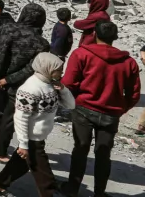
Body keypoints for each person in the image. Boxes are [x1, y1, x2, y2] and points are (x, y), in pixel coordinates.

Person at [60, 21, 141, 197]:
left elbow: (68, 83)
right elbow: (134, 94)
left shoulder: (81, 54)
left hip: (83, 109)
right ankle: (99, 192)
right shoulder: (129, 62)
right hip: (111, 114)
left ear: (95, 35)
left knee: (80, 149)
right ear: (115, 38)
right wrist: (120, 108)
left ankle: (72, 188)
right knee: (104, 154)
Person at [0, 53, 75, 197]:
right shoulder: (30, 89)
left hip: (39, 136)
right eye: (59, 69)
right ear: (47, 68)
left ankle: (0, 184)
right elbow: (21, 118)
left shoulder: (51, 84)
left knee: (21, 164)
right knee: (42, 172)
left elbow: (71, 105)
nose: (61, 72)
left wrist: (63, 89)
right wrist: (23, 144)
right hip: (32, 138)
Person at [0, 3, 50, 163]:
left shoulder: (6, 28)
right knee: (10, 118)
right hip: (19, 84)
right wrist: (7, 80)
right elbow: (31, 68)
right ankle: (0, 152)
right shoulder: (41, 43)